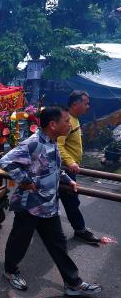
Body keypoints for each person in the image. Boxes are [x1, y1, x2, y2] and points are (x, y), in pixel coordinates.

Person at [0, 106, 101, 296]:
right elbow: (5, 161)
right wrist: (26, 181)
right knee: (19, 241)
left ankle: (73, 283)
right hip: (29, 205)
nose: (69, 124)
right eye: (66, 121)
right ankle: (10, 271)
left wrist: (68, 180)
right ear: (53, 125)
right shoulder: (33, 143)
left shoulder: (53, 142)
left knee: (58, 244)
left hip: (48, 205)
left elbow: (55, 168)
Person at [58, 91, 100, 244]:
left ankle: (41, 225)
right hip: (66, 170)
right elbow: (59, 145)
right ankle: (80, 230)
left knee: (54, 199)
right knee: (71, 201)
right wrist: (70, 162)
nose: (87, 107)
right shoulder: (67, 121)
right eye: (86, 103)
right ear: (75, 104)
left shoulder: (74, 120)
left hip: (69, 168)